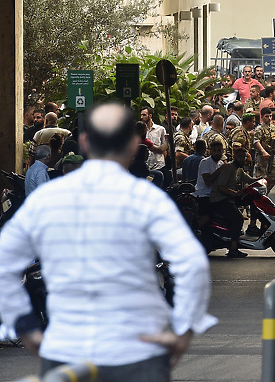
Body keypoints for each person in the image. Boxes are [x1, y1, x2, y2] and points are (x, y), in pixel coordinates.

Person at [0, 102, 215, 381]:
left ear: (86, 142)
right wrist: (183, 329)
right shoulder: (147, 200)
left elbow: (5, 261)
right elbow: (192, 264)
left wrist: (26, 327)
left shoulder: (47, 199)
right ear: (133, 144)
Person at [209, 147, 258, 258]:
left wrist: (261, 179)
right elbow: (220, 187)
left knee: (254, 198)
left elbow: (249, 180)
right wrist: (235, 193)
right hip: (220, 199)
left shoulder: (238, 169)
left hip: (229, 197)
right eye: (240, 156)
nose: (242, 159)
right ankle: (233, 248)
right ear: (234, 156)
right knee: (238, 218)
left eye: (244, 157)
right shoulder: (228, 168)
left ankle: (253, 226)